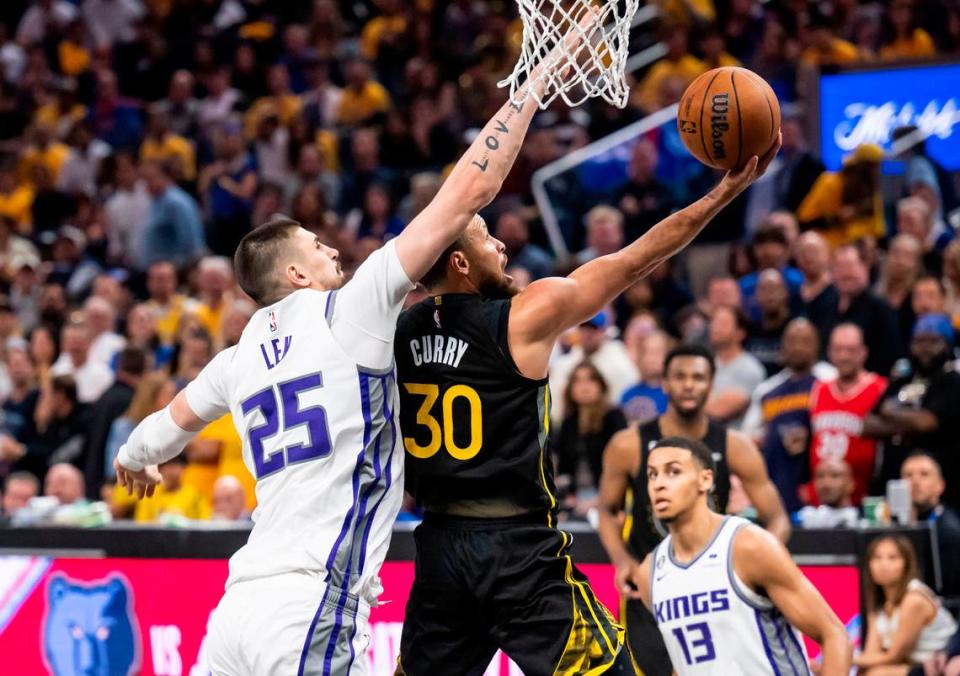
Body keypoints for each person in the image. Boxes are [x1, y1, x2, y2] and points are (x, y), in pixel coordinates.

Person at [113, 58, 563, 674]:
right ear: (296, 274)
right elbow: (467, 195)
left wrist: (134, 458)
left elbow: (166, 424)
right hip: (310, 601)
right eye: (316, 246)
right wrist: (532, 89)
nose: (332, 248)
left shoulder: (235, 359)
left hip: (236, 608)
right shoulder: (351, 309)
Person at [393, 113, 779, 670]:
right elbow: (635, 259)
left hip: (440, 550)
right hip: (515, 550)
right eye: (485, 238)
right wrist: (726, 192)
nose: (501, 245)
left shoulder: (396, 331)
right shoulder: (521, 317)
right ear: (458, 262)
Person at [598, 343, 790, 675]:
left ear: (711, 384)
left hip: (713, 590)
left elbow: (778, 518)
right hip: (651, 590)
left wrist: (763, 562)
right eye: (680, 377)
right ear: (665, 384)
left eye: (698, 377)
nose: (689, 384)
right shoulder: (628, 444)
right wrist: (623, 562)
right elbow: (604, 510)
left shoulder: (734, 445)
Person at [627, 436, 851, 675]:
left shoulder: (749, 546)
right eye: (652, 475)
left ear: (705, 480)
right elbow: (686, 662)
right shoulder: (649, 573)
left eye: (673, 472)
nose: (659, 484)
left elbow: (833, 634)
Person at [865, 314, 960, 508]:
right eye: (919, 341)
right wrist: (908, 424)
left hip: (942, 492)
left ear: (947, 344)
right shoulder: (902, 380)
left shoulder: (951, 382)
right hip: (892, 483)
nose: (924, 348)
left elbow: (926, 422)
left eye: (933, 341)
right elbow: (866, 425)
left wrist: (890, 413)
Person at [809, 324, 887, 506]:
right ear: (829, 352)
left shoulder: (879, 388)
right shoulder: (819, 388)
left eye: (850, 350)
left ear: (863, 352)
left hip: (865, 497)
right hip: (820, 499)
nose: (844, 356)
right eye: (838, 349)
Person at [855, 535, 957, 673]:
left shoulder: (914, 599)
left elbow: (894, 656)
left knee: (878, 673)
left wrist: (847, 658)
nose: (883, 564)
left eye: (892, 558)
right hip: (906, 664)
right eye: (877, 558)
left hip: (936, 665)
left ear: (907, 563)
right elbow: (871, 652)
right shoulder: (878, 602)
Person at [751, 319, 823, 513]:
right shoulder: (767, 390)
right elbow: (750, 436)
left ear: (817, 346)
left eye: (805, 341)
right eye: (791, 341)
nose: (797, 347)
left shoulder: (828, 381)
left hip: (815, 486)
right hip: (776, 482)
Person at [553, 362, 627, 517]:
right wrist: (567, 496)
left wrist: (599, 500)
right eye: (577, 381)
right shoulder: (569, 422)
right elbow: (563, 468)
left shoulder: (614, 418)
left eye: (590, 380)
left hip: (610, 495)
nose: (584, 386)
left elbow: (621, 468)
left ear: (601, 386)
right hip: (576, 497)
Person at [549, 311, 638, 419]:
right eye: (584, 329)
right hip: (572, 422)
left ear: (604, 331)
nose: (588, 334)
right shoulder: (565, 363)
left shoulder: (620, 361)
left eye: (593, 329)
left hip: (607, 422)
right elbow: (555, 404)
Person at [901, 452, 960, 599]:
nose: (914, 481)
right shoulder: (894, 524)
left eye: (924, 474)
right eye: (908, 475)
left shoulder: (949, 530)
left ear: (940, 485)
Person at [705, 305, 766, 428]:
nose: (715, 328)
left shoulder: (750, 369)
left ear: (740, 333)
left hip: (732, 440)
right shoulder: (706, 364)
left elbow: (718, 411)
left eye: (722, 323)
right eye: (714, 322)